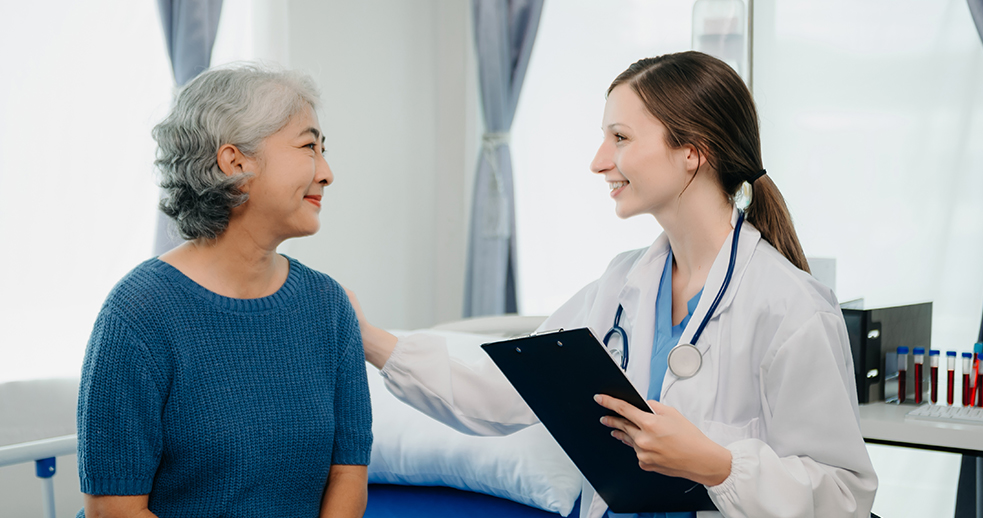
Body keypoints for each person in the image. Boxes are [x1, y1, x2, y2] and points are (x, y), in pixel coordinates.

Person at [348, 51, 877, 518]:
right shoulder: (621, 286)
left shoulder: (792, 309)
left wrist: (717, 465)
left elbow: (843, 495)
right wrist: (369, 338)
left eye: (620, 138)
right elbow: (499, 395)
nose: (599, 161)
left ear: (692, 152)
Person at [76, 65, 372, 518]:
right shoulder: (139, 314)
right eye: (309, 146)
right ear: (235, 162)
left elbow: (348, 473)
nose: (327, 173)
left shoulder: (328, 307)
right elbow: (113, 511)